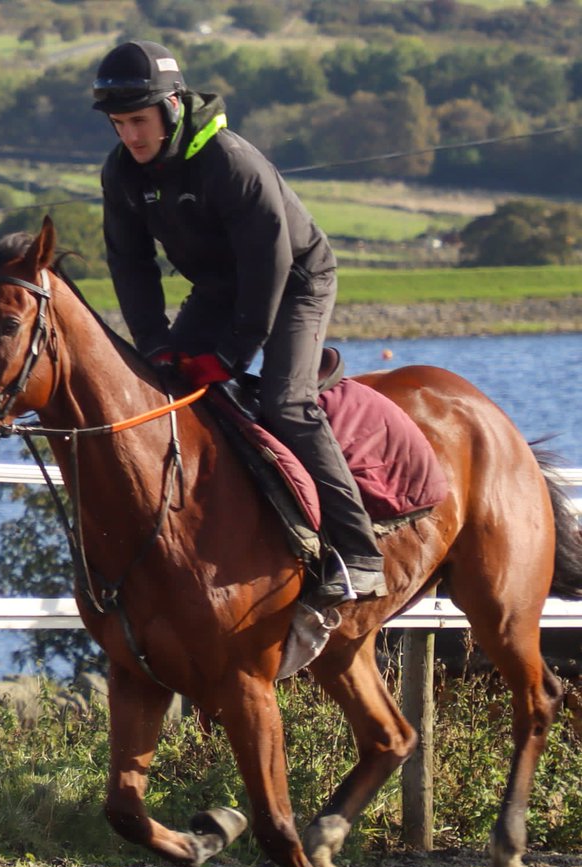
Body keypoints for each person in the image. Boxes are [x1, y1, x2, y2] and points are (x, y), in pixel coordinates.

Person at [92, 39, 386, 608]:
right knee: (168, 393)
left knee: (285, 403)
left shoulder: (230, 162)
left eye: (140, 120)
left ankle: (360, 554)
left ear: (173, 107)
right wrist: (154, 347)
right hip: (222, 286)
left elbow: (268, 264)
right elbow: (129, 266)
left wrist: (230, 355)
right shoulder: (121, 174)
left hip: (297, 276)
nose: (131, 136)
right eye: (119, 123)